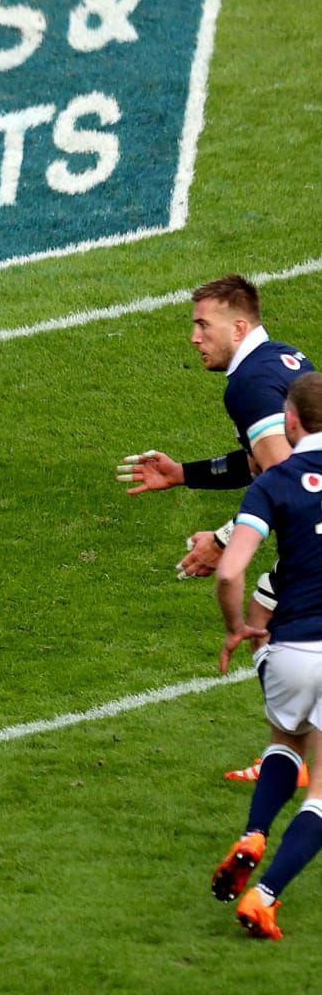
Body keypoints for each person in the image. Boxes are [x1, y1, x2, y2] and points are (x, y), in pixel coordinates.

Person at [117, 274, 314, 785]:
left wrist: (225, 539)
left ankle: (290, 756)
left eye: (204, 325)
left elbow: (281, 479)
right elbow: (266, 460)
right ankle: (290, 752)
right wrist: (185, 473)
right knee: (267, 612)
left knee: (269, 621)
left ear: (239, 325)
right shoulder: (283, 359)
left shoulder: (247, 385)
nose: (194, 337)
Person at [209, 372, 322, 939]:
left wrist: (237, 628)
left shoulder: (275, 481)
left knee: (285, 742)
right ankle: (265, 896)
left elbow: (231, 570)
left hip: (292, 647)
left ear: (292, 423)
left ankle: (254, 832)